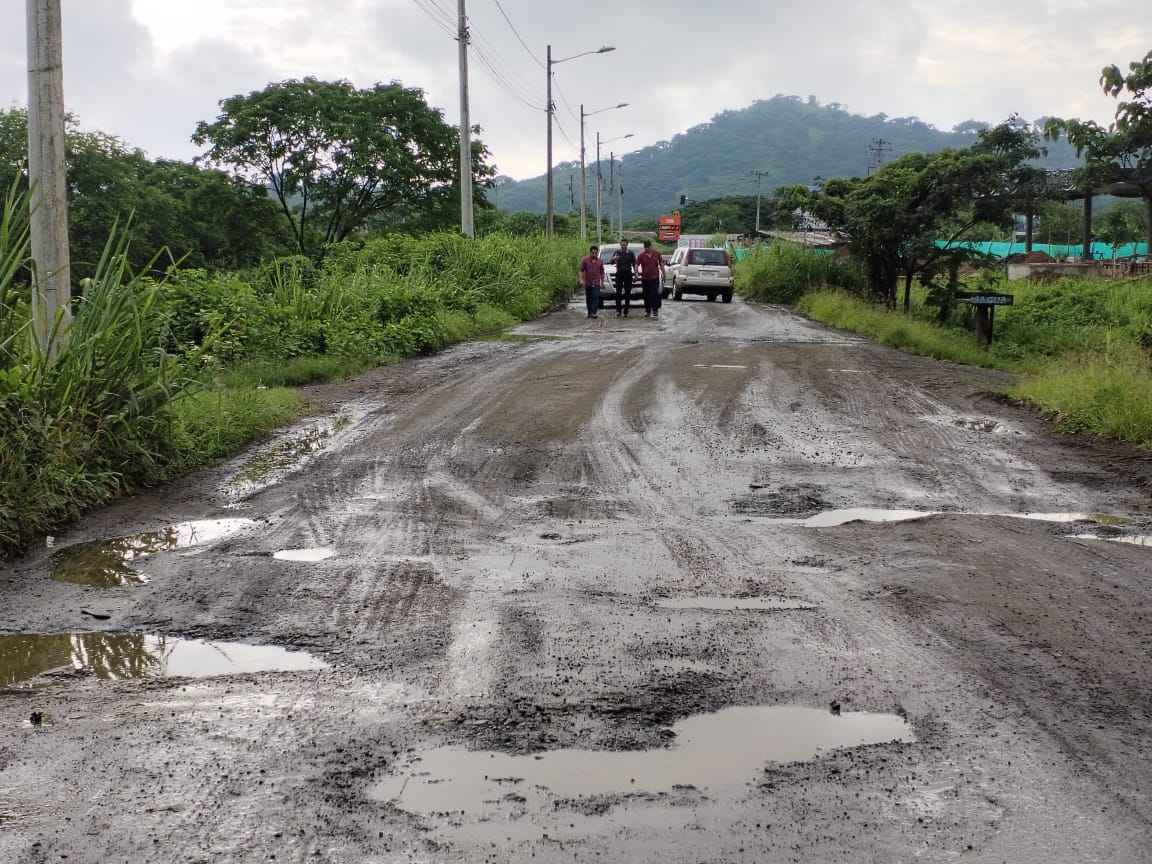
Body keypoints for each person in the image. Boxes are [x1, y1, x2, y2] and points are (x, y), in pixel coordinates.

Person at [637, 240, 666, 318]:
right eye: (645, 247)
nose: (646, 249)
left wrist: (664, 274)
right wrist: (636, 273)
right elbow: (637, 264)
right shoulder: (641, 256)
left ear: (650, 246)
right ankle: (648, 311)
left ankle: (655, 310)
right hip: (645, 278)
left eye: (648, 247)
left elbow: (661, 264)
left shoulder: (657, 254)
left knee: (654, 294)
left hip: (655, 277)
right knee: (646, 295)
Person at [610, 239, 638, 317]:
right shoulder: (617, 252)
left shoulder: (631, 253)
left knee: (627, 293)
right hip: (619, 274)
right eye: (622, 245)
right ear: (620, 245)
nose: (623, 246)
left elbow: (634, 264)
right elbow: (611, 262)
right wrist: (614, 258)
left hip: (628, 274)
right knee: (618, 293)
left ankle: (626, 310)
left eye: (624, 245)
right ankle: (618, 310)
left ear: (627, 245)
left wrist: (636, 274)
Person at [578, 245, 605, 319]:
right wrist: (581, 279)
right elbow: (581, 270)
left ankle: (594, 312)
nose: (594, 254)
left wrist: (602, 282)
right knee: (589, 298)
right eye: (592, 253)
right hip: (588, 283)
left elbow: (602, 272)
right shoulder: (585, 260)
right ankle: (589, 312)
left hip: (596, 283)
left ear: (597, 253)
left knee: (596, 296)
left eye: (595, 253)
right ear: (590, 252)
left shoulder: (600, 261)